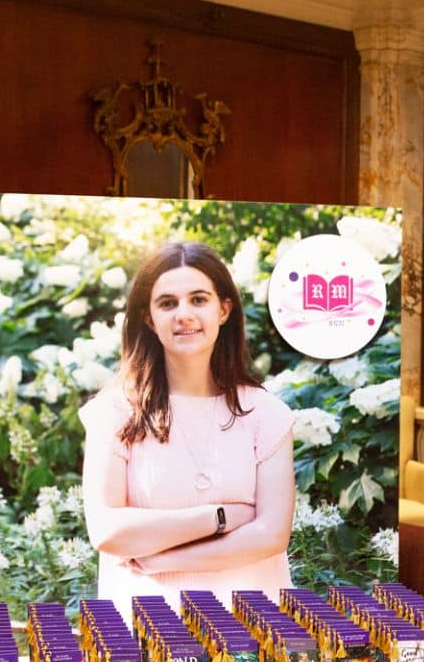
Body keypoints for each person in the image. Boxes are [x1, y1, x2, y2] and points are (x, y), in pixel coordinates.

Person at [78, 240, 296, 613]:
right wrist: (221, 517)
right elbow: (107, 530)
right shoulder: (114, 412)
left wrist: (163, 559)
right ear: (149, 317)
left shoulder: (265, 413)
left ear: (223, 309)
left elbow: (271, 535)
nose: (184, 314)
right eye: (167, 303)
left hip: (251, 631)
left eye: (198, 299)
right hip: (148, 630)